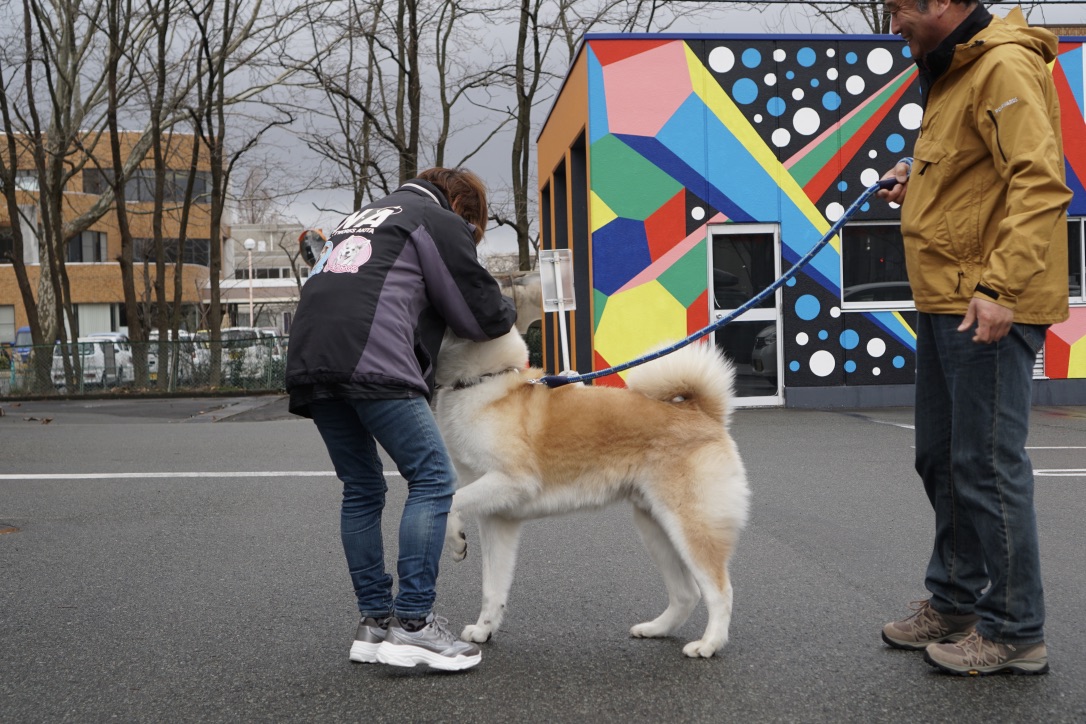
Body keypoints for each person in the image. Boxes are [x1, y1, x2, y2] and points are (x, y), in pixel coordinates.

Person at [876, 0, 1071, 676]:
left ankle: (1017, 630)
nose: (892, 23)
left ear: (942, 4)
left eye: (899, 9)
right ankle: (955, 599)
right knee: (940, 457)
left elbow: (1041, 181)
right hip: (946, 296)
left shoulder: (1003, 64)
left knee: (986, 466)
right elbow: (973, 170)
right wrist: (915, 172)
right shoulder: (954, 71)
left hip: (986, 300)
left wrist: (1002, 289)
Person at [285, 168, 517, 671]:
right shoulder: (435, 218)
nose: (470, 232)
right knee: (434, 479)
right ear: (459, 203)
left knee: (363, 488)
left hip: (308, 360)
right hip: (373, 360)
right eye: (472, 223)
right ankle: (414, 626)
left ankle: (374, 624)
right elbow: (481, 315)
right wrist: (511, 304)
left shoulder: (357, 220)